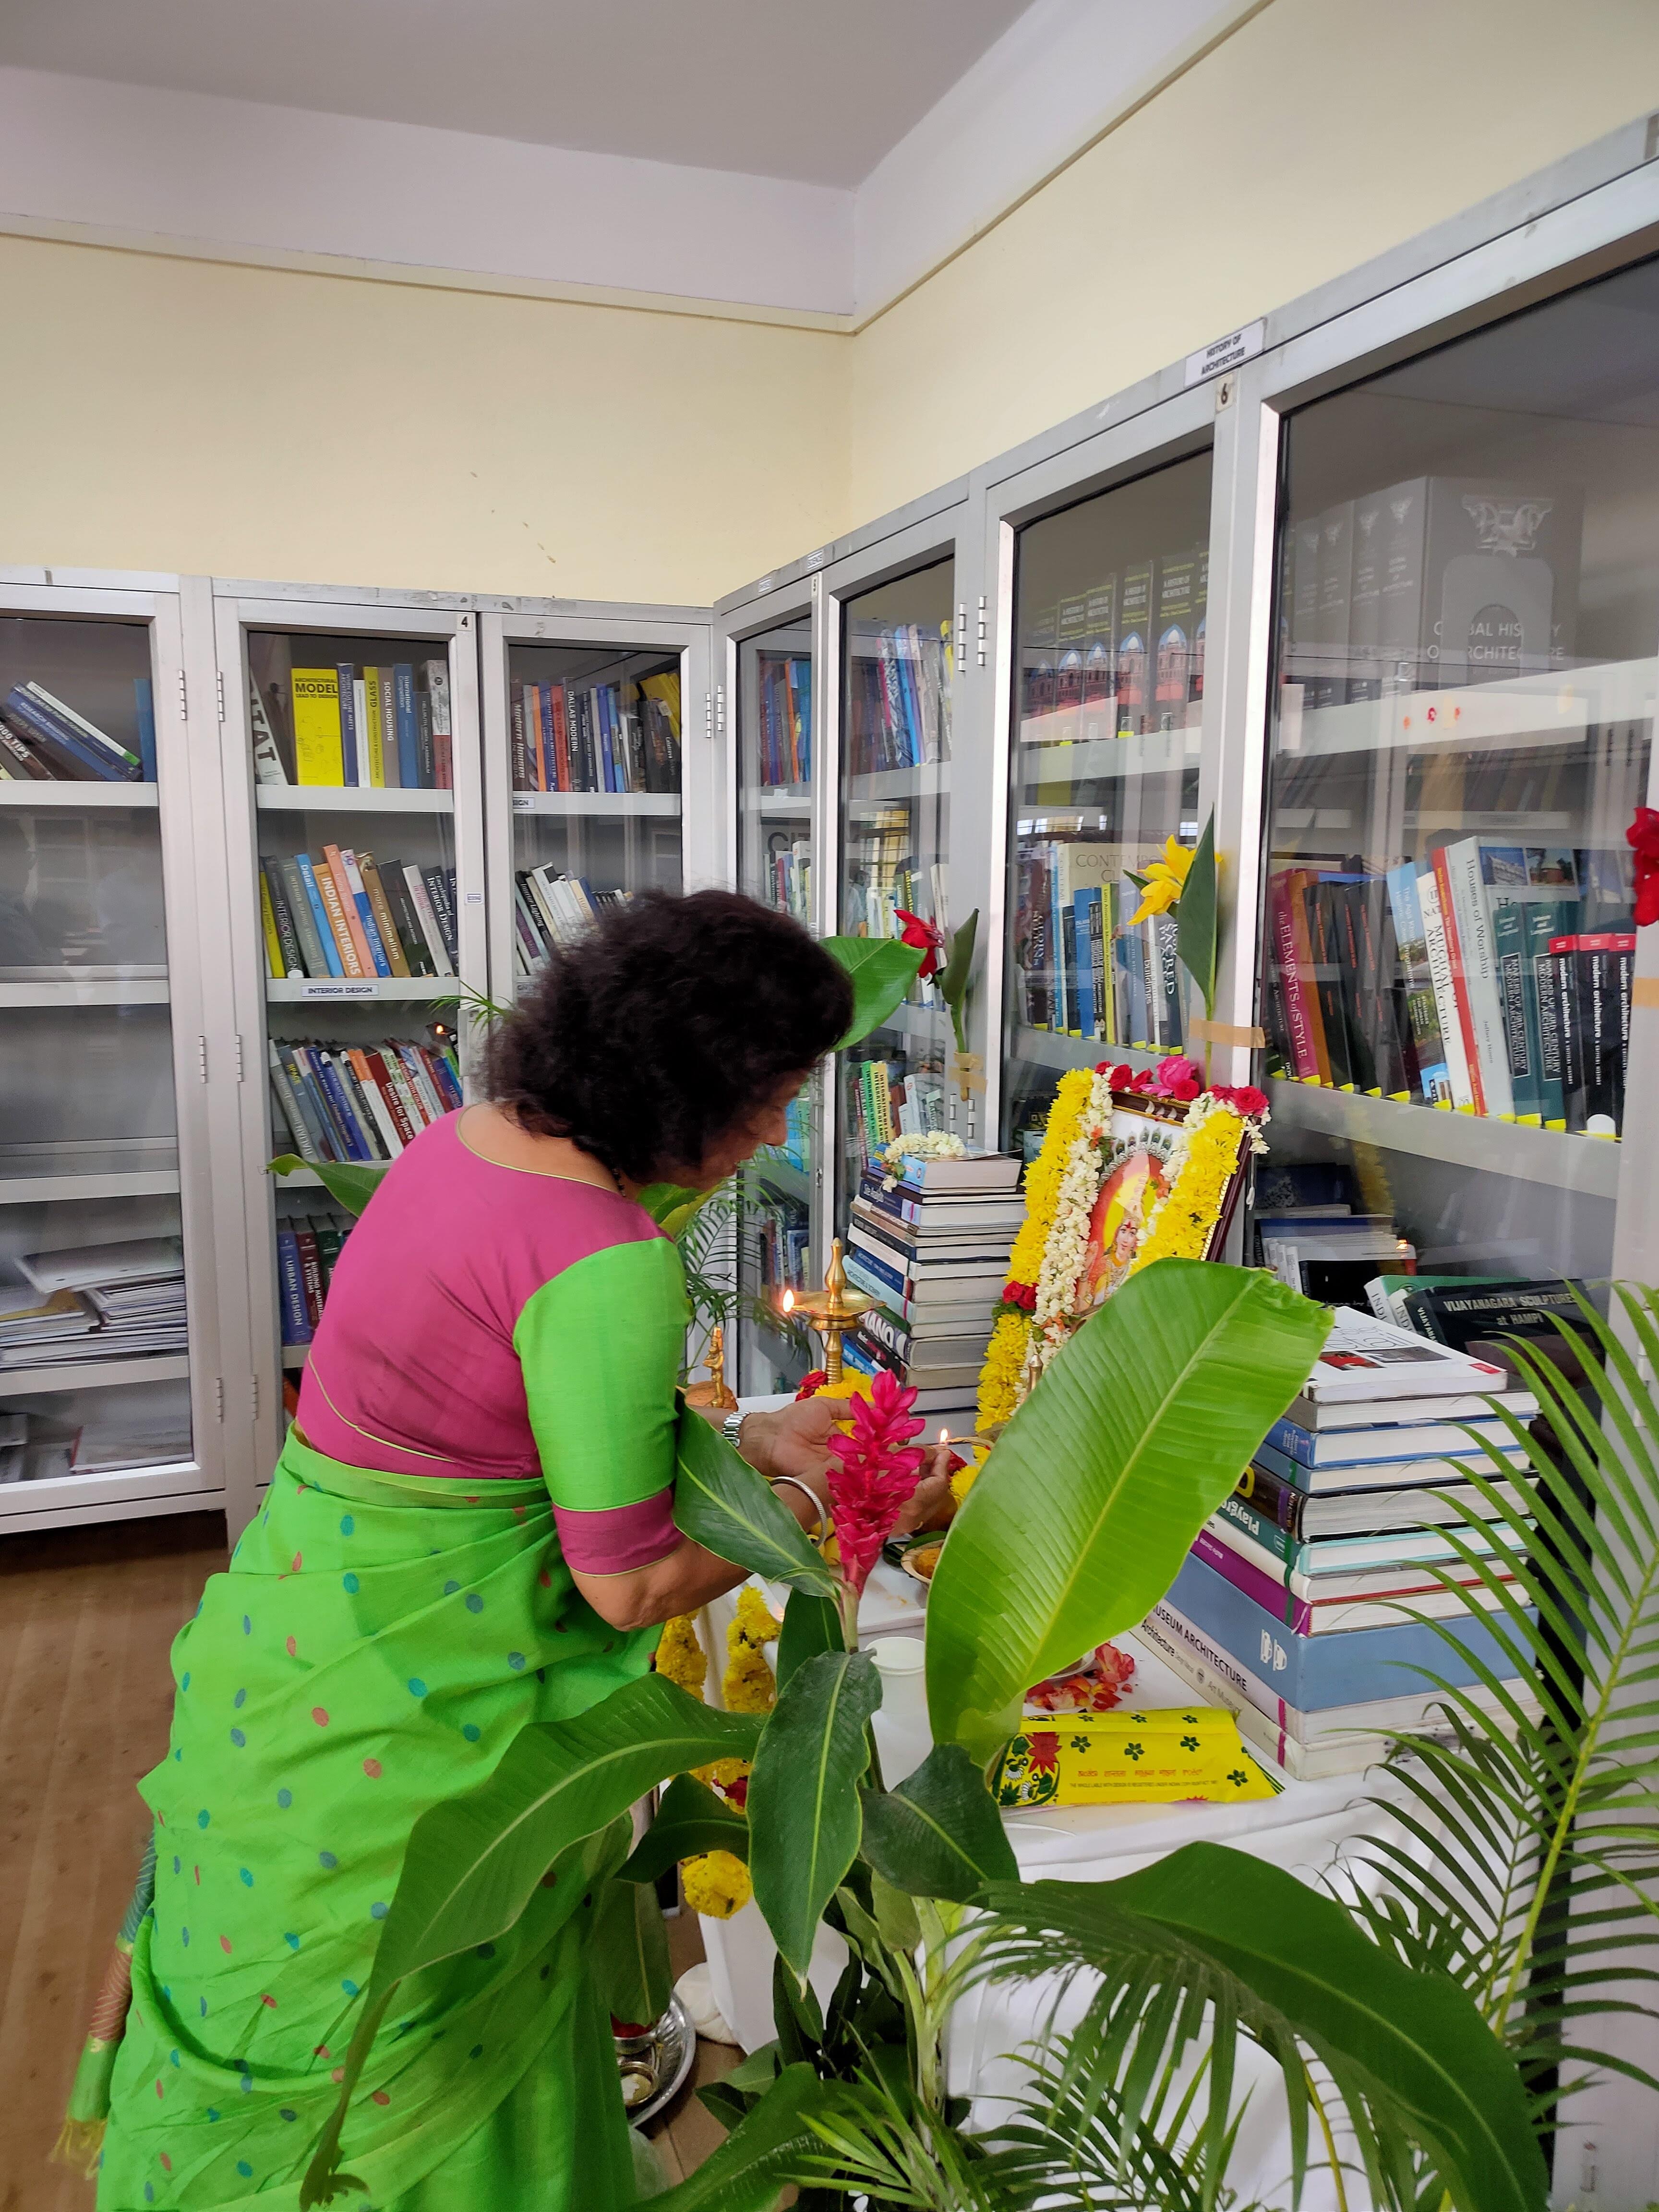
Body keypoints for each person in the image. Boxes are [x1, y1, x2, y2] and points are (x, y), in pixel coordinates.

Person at [79, 889, 951, 2211]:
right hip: (428, 1714)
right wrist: (838, 1508)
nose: (780, 1130)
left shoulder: (465, 1143)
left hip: (303, 1657)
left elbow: (495, 1407)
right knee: (408, 2086)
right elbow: (630, 1586)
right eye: (764, 1095)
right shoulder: (606, 1260)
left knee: (269, 1993)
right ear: (676, 1081)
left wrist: (762, 1446)